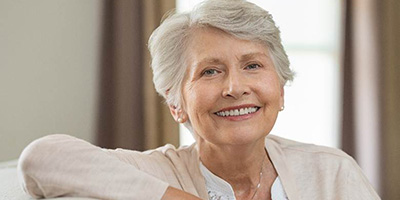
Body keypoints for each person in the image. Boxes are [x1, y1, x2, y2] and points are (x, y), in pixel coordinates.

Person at [18, 0, 380, 199]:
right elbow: (42, 158)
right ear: (175, 104)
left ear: (281, 90)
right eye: (210, 71)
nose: (235, 87)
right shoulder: (159, 172)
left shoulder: (331, 172)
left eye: (252, 65)